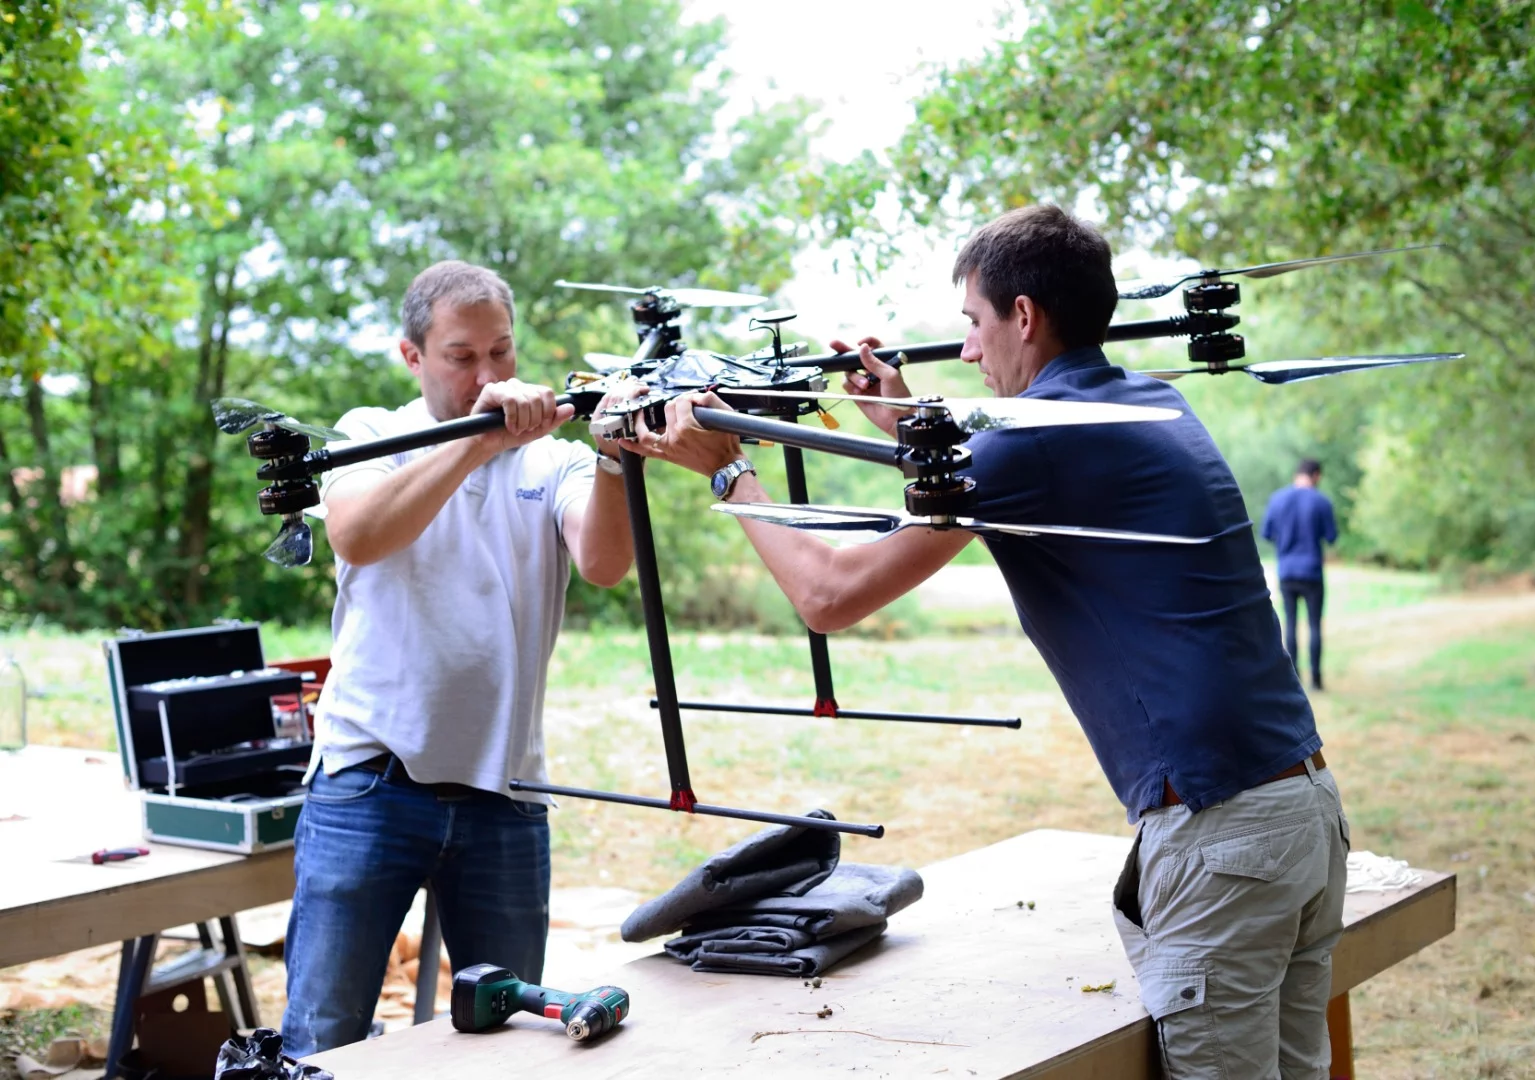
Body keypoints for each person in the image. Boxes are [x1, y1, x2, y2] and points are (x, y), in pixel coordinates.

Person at [620, 206, 1352, 1079]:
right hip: (1299, 814)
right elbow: (1001, 472)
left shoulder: (1034, 442)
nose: (966, 351)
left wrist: (728, 471)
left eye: (972, 322)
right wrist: (902, 427)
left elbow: (828, 596)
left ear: (1024, 316)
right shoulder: (1146, 401)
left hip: (1221, 837)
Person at [281, 260, 641, 1056]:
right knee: (322, 1036)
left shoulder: (554, 461)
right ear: (412, 356)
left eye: (502, 353)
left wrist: (615, 457)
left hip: (505, 791)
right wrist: (478, 443)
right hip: (369, 780)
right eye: (461, 355)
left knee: (504, 1035)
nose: (488, 373)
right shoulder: (371, 434)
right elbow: (359, 536)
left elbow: (605, 564)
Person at [1262, 459, 1338, 691]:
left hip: (1287, 571)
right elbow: (1332, 536)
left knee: (1291, 624)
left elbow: (1266, 533)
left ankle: (1294, 680)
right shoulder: (1321, 501)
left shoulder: (1277, 499)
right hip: (1312, 571)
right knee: (1314, 625)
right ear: (1315, 475)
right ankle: (1316, 679)